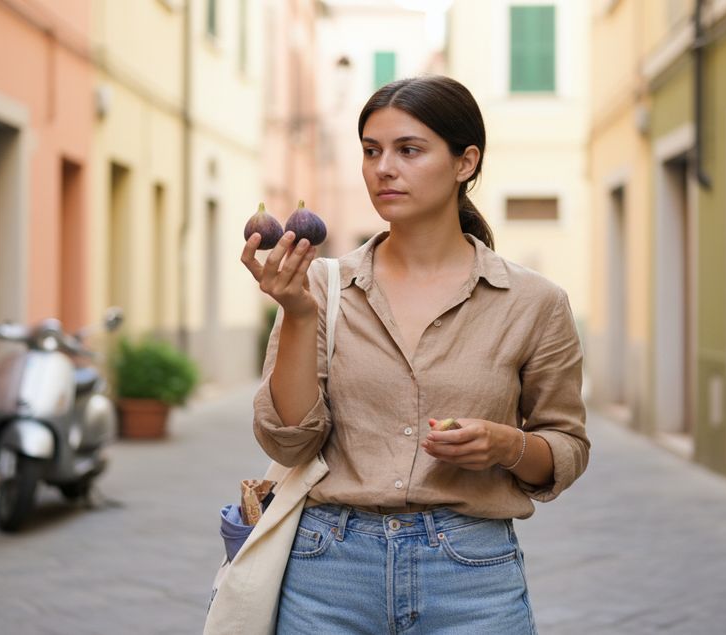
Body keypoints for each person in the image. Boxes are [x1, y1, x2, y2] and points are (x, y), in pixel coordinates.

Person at [240, 75, 590, 635]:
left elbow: (566, 448)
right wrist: (300, 316)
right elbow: (289, 440)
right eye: (371, 151)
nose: (383, 168)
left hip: (472, 577)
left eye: (409, 150)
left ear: (464, 163)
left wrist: (508, 444)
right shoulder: (321, 288)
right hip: (326, 572)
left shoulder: (535, 302)